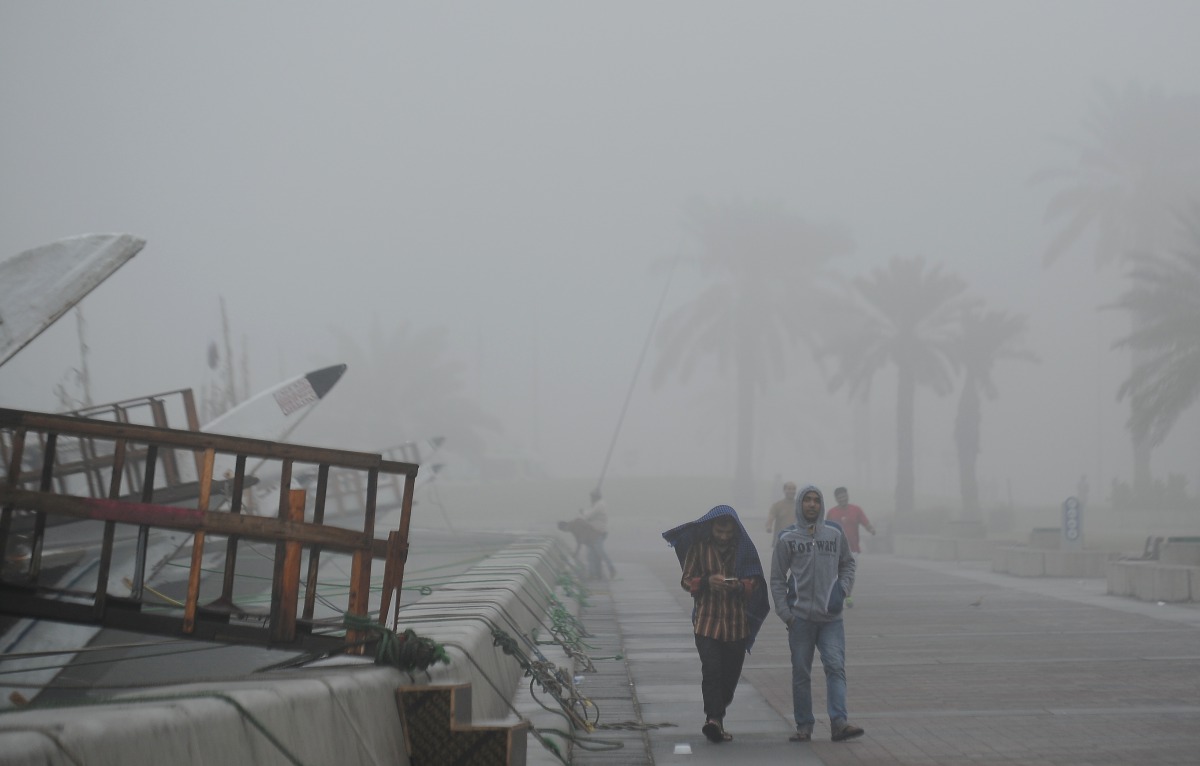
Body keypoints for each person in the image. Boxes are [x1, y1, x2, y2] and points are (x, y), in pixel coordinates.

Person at [663, 506, 769, 745]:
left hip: (736, 627)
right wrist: (708, 582)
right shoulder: (699, 549)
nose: (723, 536)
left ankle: (717, 713)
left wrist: (739, 587)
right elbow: (687, 581)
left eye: (727, 532)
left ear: (735, 531)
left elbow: (755, 582)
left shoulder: (743, 550)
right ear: (712, 528)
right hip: (706, 624)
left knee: (729, 679)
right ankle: (714, 720)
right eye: (719, 531)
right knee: (711, 672)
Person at [770, 485, 864, 743]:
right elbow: (777, 579)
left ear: (821, 504)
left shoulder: (834, 533)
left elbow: (847, 564)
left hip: (830, 618)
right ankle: (804, 726)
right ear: (800, 504)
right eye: (807, 500)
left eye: (816, 500)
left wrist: (842, 591)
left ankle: (839, 722)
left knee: (835, 667)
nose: (812, 504)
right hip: (799, 619)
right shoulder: (787, 538)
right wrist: (785, 613)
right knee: (801, 673)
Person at [581, 489, 617, 579]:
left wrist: (583, 512)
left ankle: (611, 568)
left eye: (592, 497)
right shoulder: (598, 505)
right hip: (594, 532)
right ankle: (592, 573)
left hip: (598, 532)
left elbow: (588, 516)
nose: (591, 498)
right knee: (591, 554)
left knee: (599, 551)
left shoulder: (599, 505)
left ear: (595, 497)